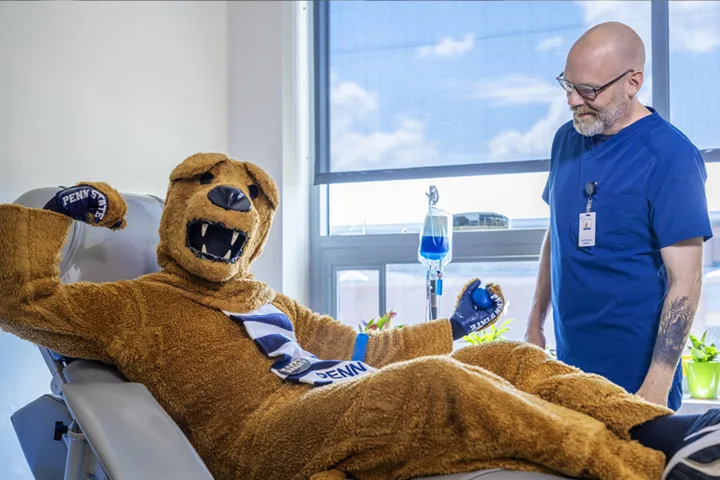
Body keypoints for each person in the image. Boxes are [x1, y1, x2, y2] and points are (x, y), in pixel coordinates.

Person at [525, 20, 713, 412]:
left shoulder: (672, 158)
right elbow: (555, 237)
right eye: (568, 85)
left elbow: (686, 281)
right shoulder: (567, 139)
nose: (574, 101)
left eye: (589, 90)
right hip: (567, 374)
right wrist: (534, 326)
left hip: (637, 384)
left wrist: (657, 386)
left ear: (633, 82)